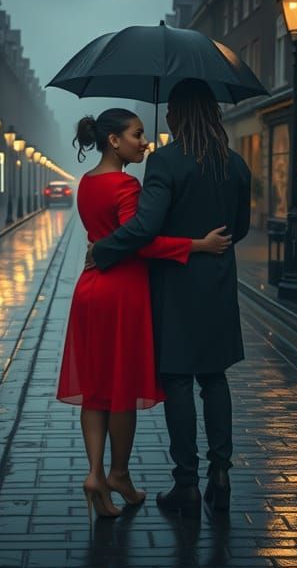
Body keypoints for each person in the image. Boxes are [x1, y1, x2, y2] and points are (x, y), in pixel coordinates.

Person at [57, 108, 232, 521]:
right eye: (137, 135)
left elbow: (109, 236)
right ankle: (118, 474)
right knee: (121, 388)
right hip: (122, 291)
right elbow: (141, 241)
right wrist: (198, 245)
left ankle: (95, 475)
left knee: (97, 386)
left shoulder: (87, 183)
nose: (145, 142)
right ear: (114, 141)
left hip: (89, 290)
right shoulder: (126, 184)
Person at [90, 79, 251, 518]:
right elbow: (241, 227)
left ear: (176, 114)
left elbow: (144, 228)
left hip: (176, 287)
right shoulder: (235, 164)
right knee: (215, 380)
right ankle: (221, 475)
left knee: (179, 381)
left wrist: (103, 250)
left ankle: (187, 485)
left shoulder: (167, 162)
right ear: (214, 114)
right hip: (218, 284)